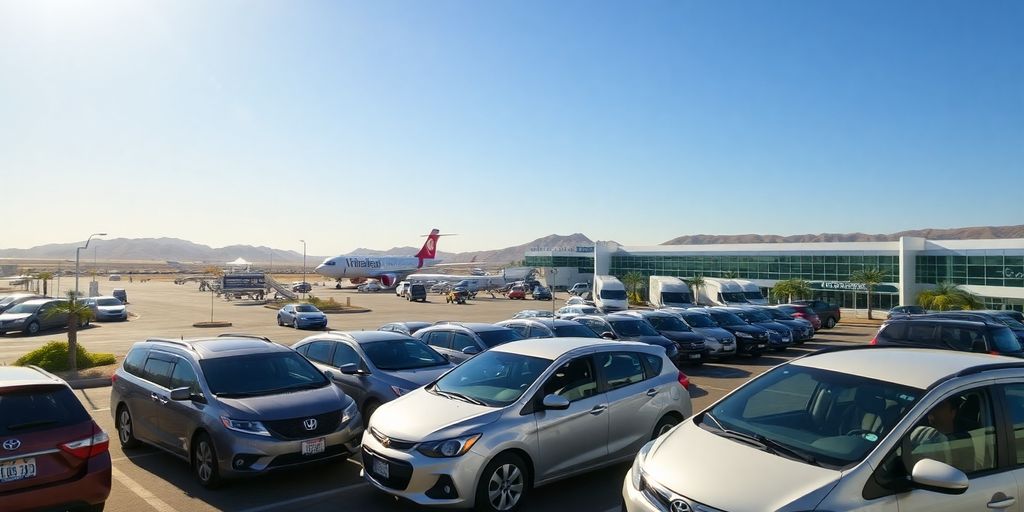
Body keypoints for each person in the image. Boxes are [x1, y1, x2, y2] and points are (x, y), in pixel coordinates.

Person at [908, 396, 959, 467]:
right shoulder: (919, 434)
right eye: (932, 405)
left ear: (953, 413)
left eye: (940, 406)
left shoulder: (961, 442)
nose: (933, 409)